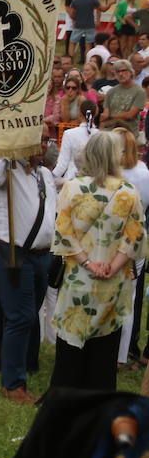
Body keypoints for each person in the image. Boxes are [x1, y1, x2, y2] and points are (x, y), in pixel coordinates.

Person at [48, 130, 145, 391]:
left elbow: (63, 232)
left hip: (78, 280)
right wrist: (112, 266)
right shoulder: (128, 192)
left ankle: (65, 405)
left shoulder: (72, 188)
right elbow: (135, 236)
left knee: (69, 351)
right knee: (104, 353)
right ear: (116, 157)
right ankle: (100, 410)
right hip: (112, 284)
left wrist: (88, 263)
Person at [0, 150, 57, 404]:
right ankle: (13, 384)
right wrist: (8, 150)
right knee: (20, 317)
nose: (44, 145)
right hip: (13, 253)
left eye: (46, 139)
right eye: (39, 138)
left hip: (41, 255)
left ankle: (15, 371)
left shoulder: (43, 173)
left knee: (25, 317)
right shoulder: (5, 168)